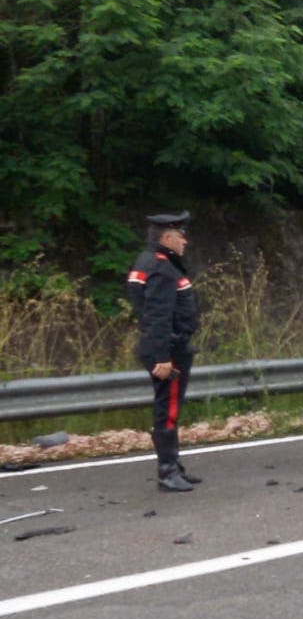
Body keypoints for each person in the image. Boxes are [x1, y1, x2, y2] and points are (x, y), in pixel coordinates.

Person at [126, 211, 202, 492]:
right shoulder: (161, 268)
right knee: (167, 409)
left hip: (167, 345)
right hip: (167, 348)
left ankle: (174, 466)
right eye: (181, 235)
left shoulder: (152, 261)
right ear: (167, 238)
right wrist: (162, 357)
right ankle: (167, 472)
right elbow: (156, 316)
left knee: (169, 407)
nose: (186, 240)